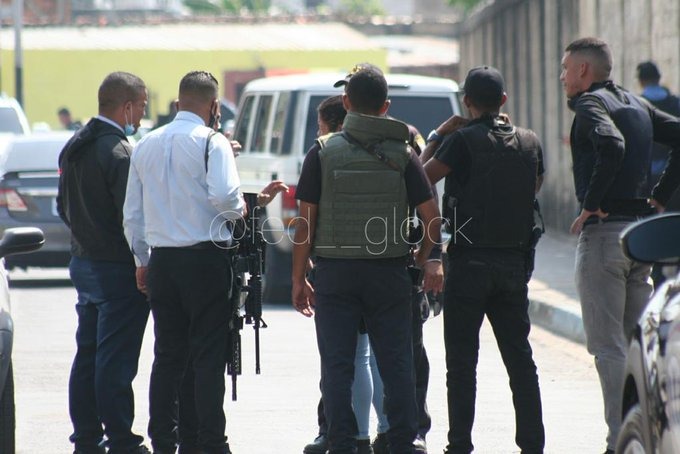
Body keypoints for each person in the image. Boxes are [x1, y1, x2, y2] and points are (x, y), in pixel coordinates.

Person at [292, 63, 443, 454]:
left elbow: (304, 226)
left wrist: (297, 279)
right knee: (396, 362)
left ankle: (342, 442)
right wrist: (419, 257)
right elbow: (432, 218)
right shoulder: (404, 151)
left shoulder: (322, 153)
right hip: (389, 272)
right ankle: (405, 440)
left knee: (338, 364)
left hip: (335, 274)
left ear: (346, 102)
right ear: (386, 105)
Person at [560, 37, 680, 454]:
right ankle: (643, 435)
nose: (562, 77)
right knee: (633, 345)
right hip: (637, 239)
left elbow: (611, 144)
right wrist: (660, 196)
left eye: (565, 68)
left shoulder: (590, 105)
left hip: (605, 236)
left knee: (608, 347)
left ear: (583, 71)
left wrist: (590, 205)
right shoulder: (634, 102)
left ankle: (619, 439)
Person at [423, 65, 546, 454]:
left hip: (469, 264)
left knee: (461, 367)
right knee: (521, 363)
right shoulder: (529, 142)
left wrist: (441, 133)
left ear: (467, 102)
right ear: (504, 101)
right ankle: (532, 445)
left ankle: (459, 445)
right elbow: (534, 185)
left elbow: (423, 179)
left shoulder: (461, 141)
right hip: (513, 264)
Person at [123, 70, 245, 454]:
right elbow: (227, 200)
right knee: (208, 355)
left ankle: (164, 440)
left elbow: (132, 215)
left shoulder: (145, 144)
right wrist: (239, 209)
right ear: (213, 107)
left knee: (168, 354)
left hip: (163, 263)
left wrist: (142, 259)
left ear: (178, 103)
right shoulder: (214, 142)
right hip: (205, 260)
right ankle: (210, 442)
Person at [56, 72, 151, 454]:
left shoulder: (76, 144)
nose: (143, 115)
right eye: (142, 106)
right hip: (115, 268)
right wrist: (142, 261)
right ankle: (121, 438)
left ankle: (86, 437)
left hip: (84, 261)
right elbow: (132, 218)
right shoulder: (118, 152)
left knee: (89, 353)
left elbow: (63, 208)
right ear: (126, 106)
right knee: (116, 358)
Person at [636, 61, 680, 195]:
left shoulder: (636, 104)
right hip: (673, 169)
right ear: (659, 78)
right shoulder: (676, 102)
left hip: (646, 171)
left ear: (640, 81)